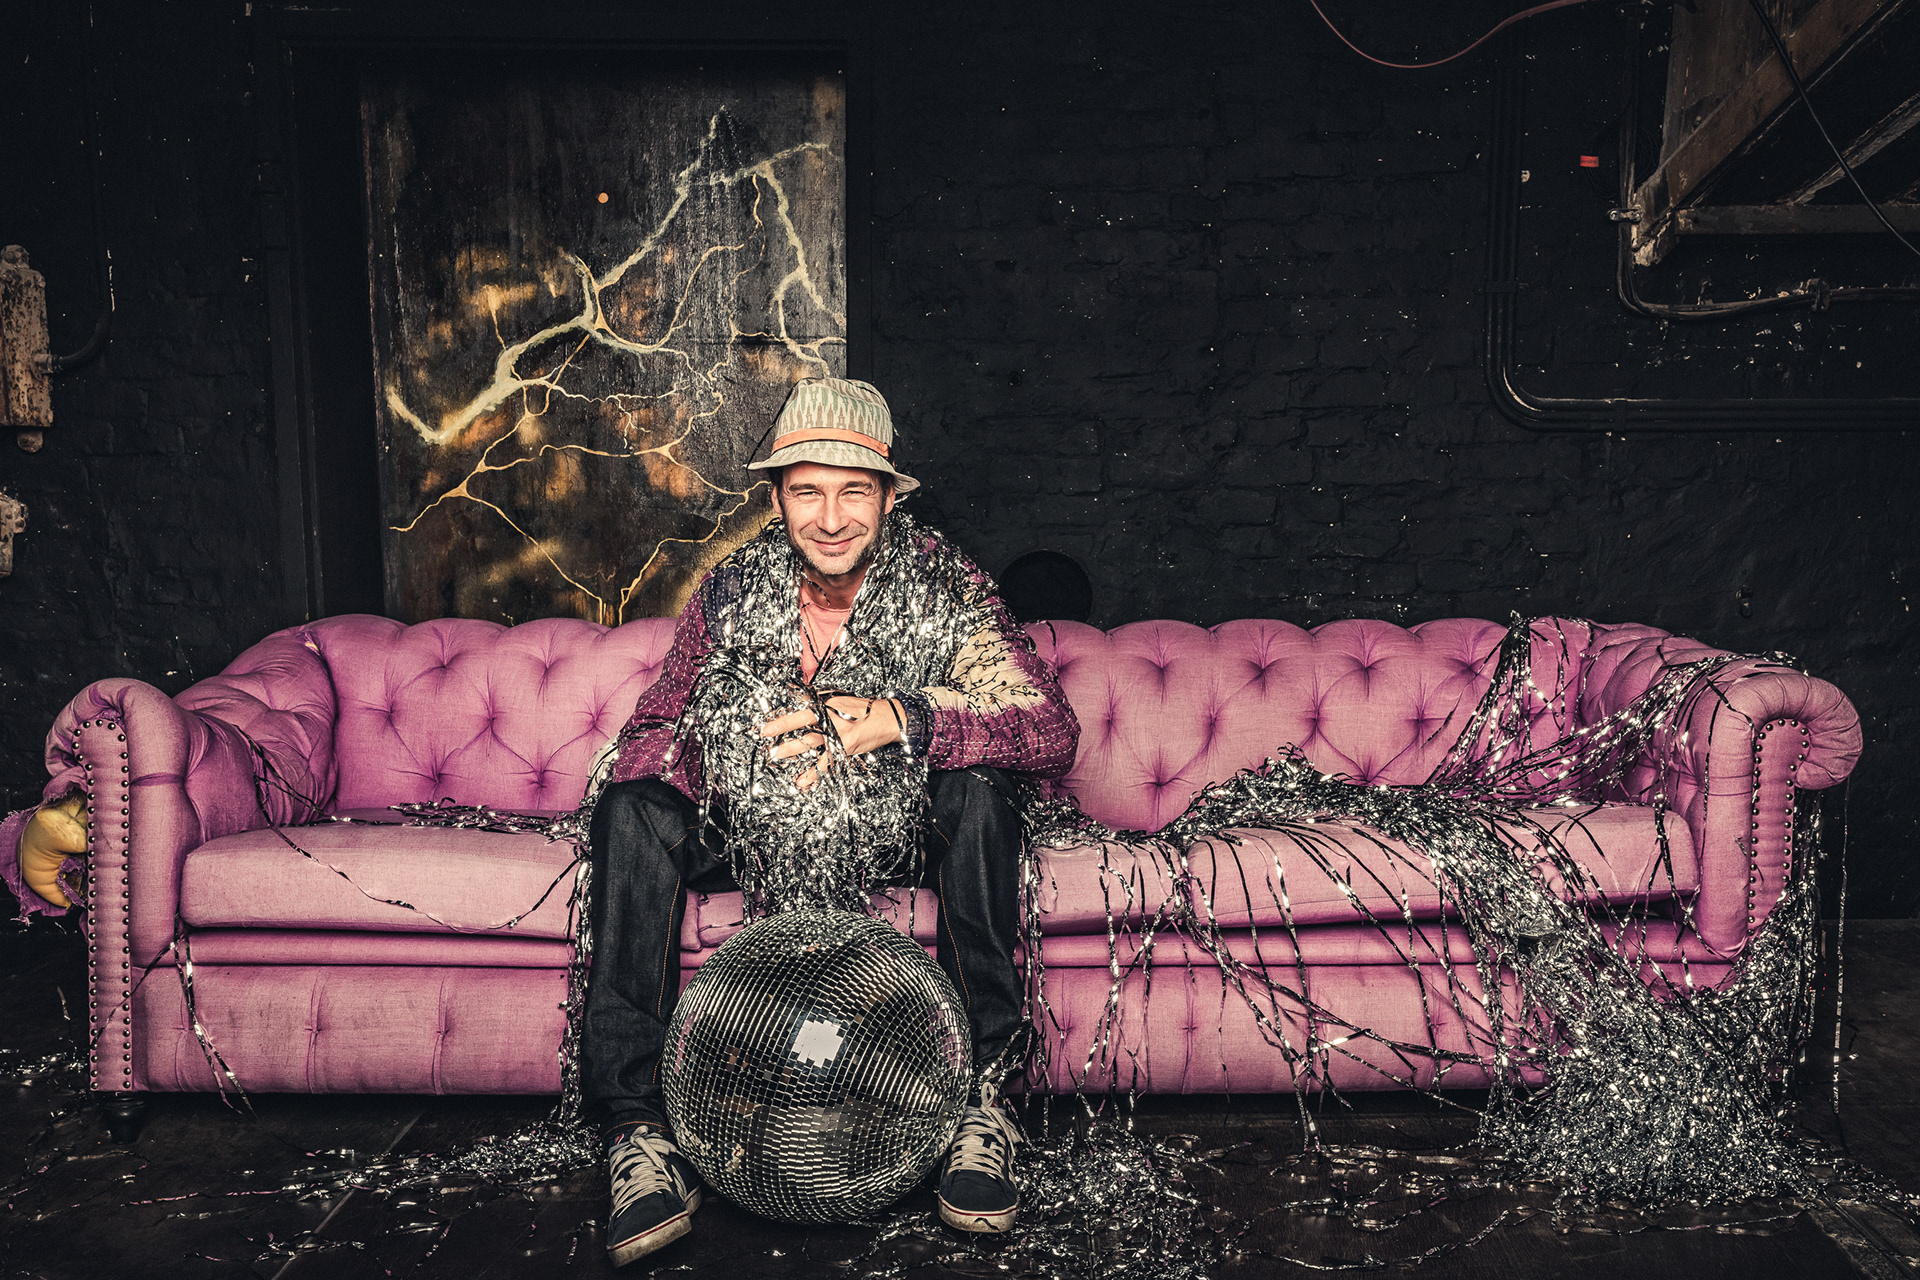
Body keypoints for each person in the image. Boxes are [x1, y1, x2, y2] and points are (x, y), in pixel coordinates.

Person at [584, 376, 1080, 1266]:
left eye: (854, 491)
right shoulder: (731, 591)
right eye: (806, 491)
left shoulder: (943, 584)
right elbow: (648, 734)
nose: (831, 517)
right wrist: (739, 747)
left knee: (981, 794)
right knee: (633, 811)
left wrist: (903, 719)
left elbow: (1050, 730)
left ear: (888, 497)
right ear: (777, 499)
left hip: (894, 825)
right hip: (757, 824)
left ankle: (982, 1106)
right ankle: (638, 1131)